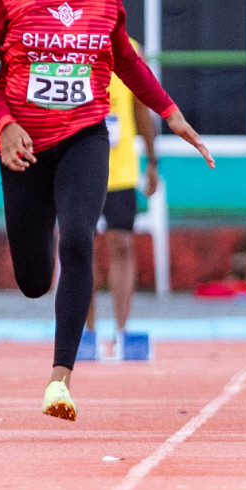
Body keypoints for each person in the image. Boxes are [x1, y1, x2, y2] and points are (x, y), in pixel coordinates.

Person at [0, 0, 214, 420]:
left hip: (85, 135)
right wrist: (4, 123)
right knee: (35, 279)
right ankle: (39, 257)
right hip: (24, 146)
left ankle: (60, 379)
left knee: (81, 237)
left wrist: (170, 111)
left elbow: (125, 61)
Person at [84, 45, 159, 358]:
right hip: (80, 166)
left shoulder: (130, 50)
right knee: (79, 246)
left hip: (121, 169)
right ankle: (85, 333)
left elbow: (142, 108)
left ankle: (122, 331)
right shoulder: (71, 42)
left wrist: (153, 162)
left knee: (122, 244)